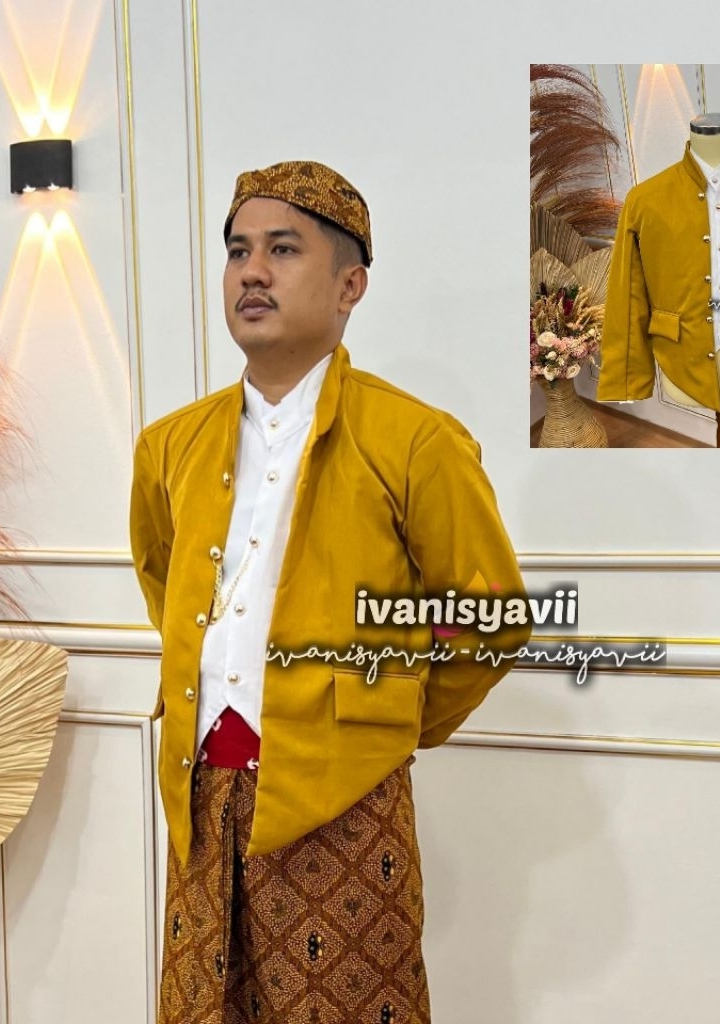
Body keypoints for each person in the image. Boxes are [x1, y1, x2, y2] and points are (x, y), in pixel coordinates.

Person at [129, 160, 529, 1024]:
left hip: (348, 807)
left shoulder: (414, 440)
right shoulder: (169, 445)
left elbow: (490, 621)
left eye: (283, 250)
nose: (252, 272)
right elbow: (164, 581)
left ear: (351, 286)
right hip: (201, 798)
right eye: (238, 251)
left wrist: (379, 721)